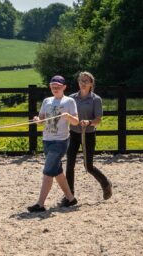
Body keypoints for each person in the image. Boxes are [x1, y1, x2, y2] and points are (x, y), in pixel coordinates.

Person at [27, 75, 80, 212]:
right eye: (52, 86)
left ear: (64, 87)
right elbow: (42, 120)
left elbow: (76, 121)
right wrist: (37, 120)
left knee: (48, 171)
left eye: (57, 86)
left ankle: (40, 204)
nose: (55, 89)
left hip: (60, 141)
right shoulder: (47, 101)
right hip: (47, 140)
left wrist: (69, 117)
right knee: (57, 171)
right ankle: (70, 198)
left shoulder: (69, 101)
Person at [66, 71, 112, 200]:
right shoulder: (71, 98)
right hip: (74, 134)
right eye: (81, 80)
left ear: (91, 83)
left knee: (88, 166)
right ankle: (69, 195)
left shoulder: (96, 99)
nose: (83, 83)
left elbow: (98, 119)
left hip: (88, 135)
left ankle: (105, 183)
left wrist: (89, 122)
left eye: (86, 81)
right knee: (69, 165)